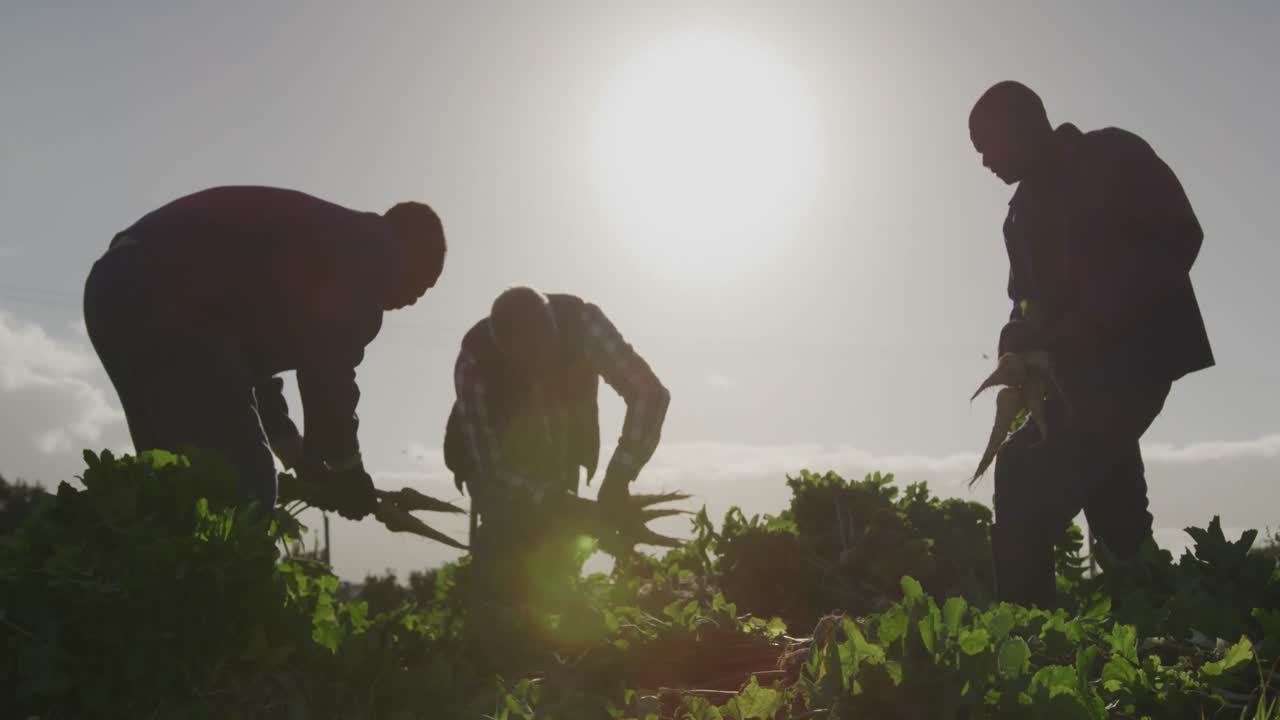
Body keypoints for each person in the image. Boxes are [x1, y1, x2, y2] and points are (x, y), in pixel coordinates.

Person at [968, 81, 1214, 607]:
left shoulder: (1113, 154)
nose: (985, 162)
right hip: (1076, 379)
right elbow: (1026, 301)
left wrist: (1097, 319)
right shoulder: (1018, 215)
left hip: (1136, 362)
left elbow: (1180, 235)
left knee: (1021, 471)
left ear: (1021, 125)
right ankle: (1172, 622)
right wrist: (1015, 336)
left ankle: (1027, 637)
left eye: (988, 145)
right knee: (1117, 513)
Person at [83, 186, 446, 518]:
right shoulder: (372, 254)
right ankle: (224, 588)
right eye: (425, 282)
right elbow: (329, 374)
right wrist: (347, 471)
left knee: (173, 479)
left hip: (114, 284)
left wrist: (301, 459)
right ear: (410, 253)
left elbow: (245, 371)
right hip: (172, 290)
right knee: (244, 485)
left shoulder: (325, 244)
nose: (416, 298)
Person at [443, 287, 670, 664]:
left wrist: (619, 476)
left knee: (560, 550)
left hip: (563, 447)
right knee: (505, 545)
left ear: (553, 333)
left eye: (541, 354)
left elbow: (649, 393)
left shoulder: (583, 325)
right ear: (502, 348)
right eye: (521, 361)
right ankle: (492, 653)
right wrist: (557, 503)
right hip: (493, 460)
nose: (535, 369)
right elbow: (496, 470)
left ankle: (564, 656)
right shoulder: (474, 364)